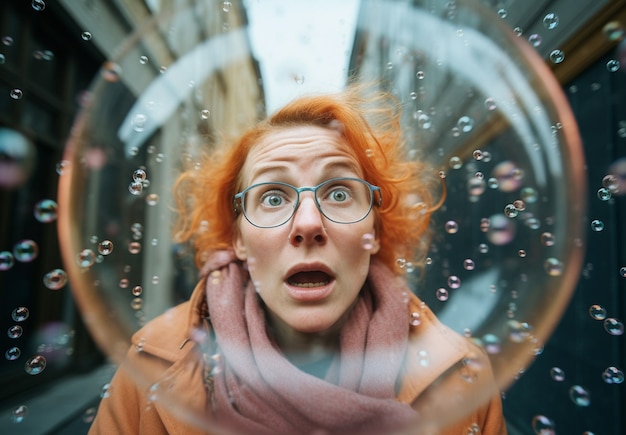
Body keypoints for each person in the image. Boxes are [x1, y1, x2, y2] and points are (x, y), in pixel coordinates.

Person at [88, 86, 507, 434]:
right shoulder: (149, 362)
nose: (308, 223)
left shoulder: (464, 376)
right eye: (273, 197)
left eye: (339, 193)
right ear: (238, 239)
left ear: (375, 231)